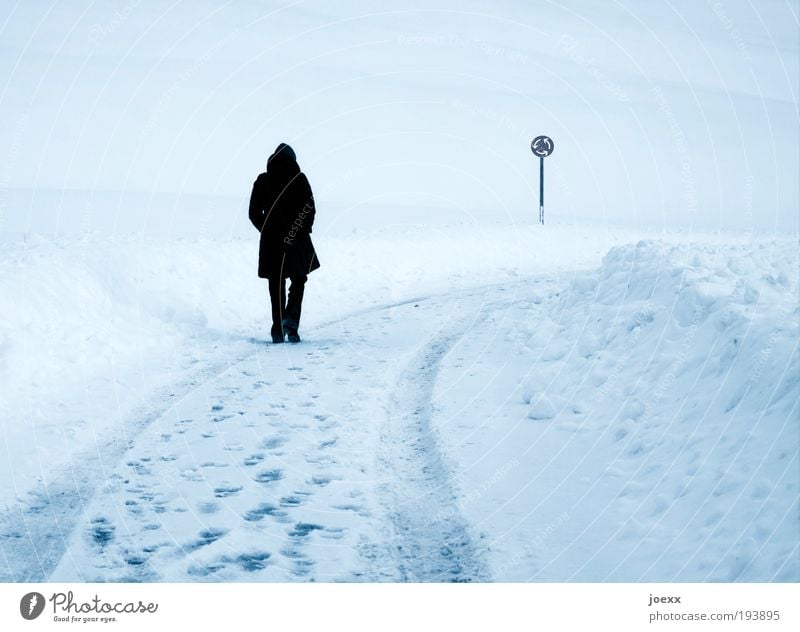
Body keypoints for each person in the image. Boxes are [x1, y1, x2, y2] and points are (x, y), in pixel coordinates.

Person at [249, 143, 320, 343]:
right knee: (299, 280)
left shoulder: (263, 180)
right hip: (297, 240)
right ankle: (291, 323)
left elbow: (253, 213)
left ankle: (278, 328)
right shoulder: (299, 179)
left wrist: (267, 230)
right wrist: (300, 229)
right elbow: (310, 209)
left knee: (276, 284)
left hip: (272, 243)